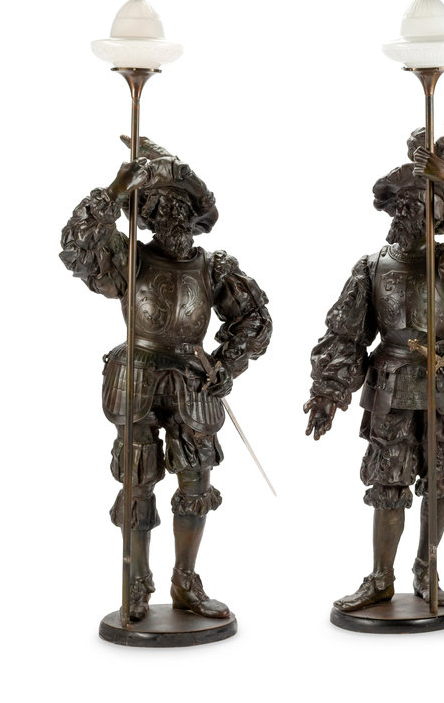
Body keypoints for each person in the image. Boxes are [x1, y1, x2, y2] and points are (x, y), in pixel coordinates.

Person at [304, 120, 444, 611]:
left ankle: (427, 567)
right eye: (401, 204)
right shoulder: (372, 266)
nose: (406, 212)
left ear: (437, 216)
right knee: (387, 481)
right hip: (392, 384)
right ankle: (381, 577)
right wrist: (328, 392)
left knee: (441, 477)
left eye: (417, 205)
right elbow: (346, 334)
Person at [60, 137, 272, 621]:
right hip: (136, 373)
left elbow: (255, 319)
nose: (175, 218)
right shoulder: (128, 259)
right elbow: (77, 247)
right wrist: (116, 190)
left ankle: (185, 581)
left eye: (183, 208)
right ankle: (136, 582)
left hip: (193, 379)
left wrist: (227, 364)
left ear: (196, 216)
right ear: (150, 217)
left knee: (196, 481)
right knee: (137, 479)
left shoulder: (213, 267)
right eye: (163, 209)